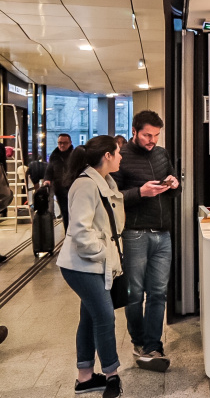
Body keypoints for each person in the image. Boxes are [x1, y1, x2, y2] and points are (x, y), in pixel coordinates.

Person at [56, 135, 124, 398]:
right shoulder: (85, 185)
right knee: (105, 316)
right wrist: (102, 252)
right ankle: (111, 375)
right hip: (82, 265)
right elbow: (81, 231)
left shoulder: (104, 181)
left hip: (92, 264)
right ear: (106, 155)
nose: (121, 157)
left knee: (90, 316)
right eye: (117, 153)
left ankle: (85, 377)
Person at [111, 110, 179, 373]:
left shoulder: (161, 154)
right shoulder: (122, 156)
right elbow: (113, 198)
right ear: (135, 131)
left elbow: (176, 188)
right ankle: (139, 342)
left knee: (159, 293)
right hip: (134, 233)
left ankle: (154, 346)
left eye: (156, 135)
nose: (152, 140)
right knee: (134, 294)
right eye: (147, 135)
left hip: (163, 233)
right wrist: (140, 192)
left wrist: (173, 184)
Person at [44, 133, 74, 233]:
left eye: (65, 143)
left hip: (73, 189)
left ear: (70, 143)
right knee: (65, 213)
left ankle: (74, 234)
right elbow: (49, 169)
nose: (62, 145)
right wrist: (47, 180)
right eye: (60, 143)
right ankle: (68, 235)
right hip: (60, 189)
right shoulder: (54, 155)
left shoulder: (74, 155)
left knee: (74, 213)